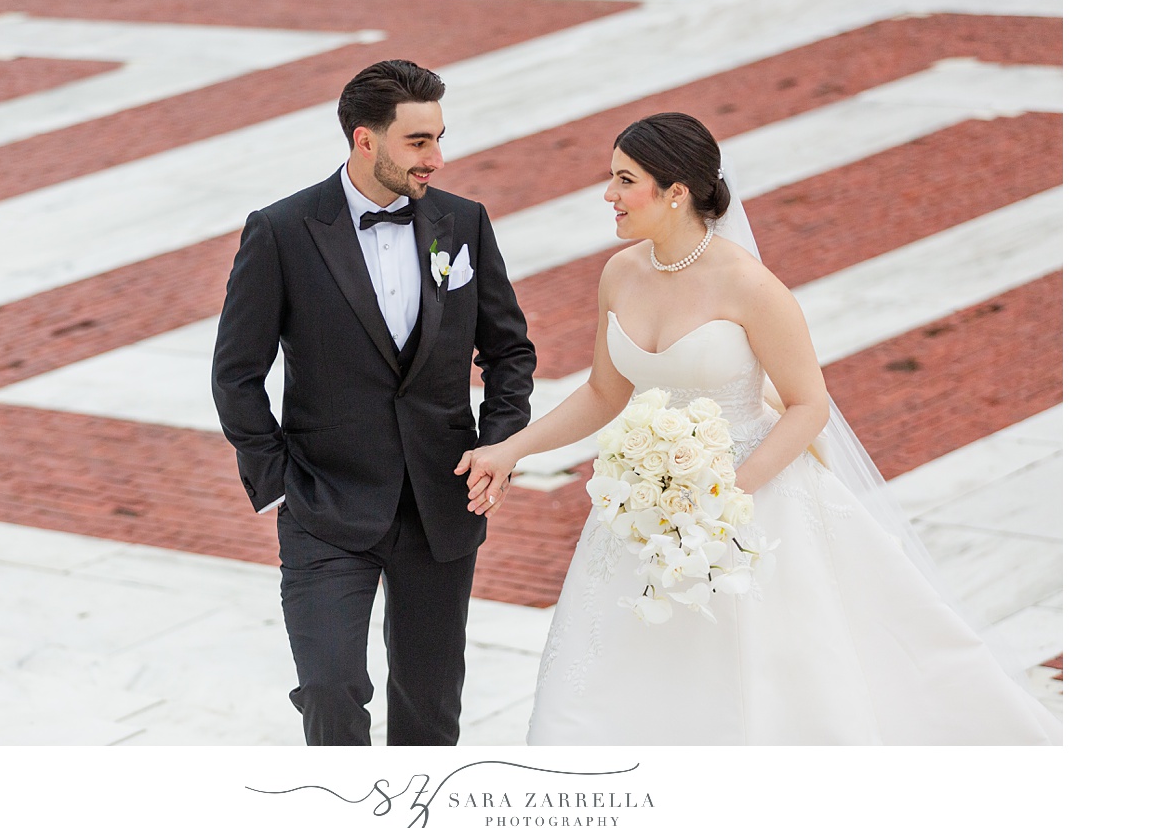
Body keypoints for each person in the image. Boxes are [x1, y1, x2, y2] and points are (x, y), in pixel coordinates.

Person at [456, 111, 1061, 745]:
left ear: (676, 192)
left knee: (760, 685)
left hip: (754, 503)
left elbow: (808, 405)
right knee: (599, 689)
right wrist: (510, 450)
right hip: (645, 512)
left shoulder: (751, 287)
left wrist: (726, 497)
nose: (608, 194)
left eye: (624, 180)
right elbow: (605, 393)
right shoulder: (619, 275)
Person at [212, 59, 536, 746]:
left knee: (429, 705)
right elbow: (236, 373)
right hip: (325, 505)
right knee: (329, 689)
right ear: (365, 141)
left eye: (438, 138)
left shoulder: (463, 223)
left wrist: (498, 446)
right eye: (418, 141)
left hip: (439, 505)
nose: (436, 159)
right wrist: (278, 484)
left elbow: (508, 352)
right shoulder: (282, 231)